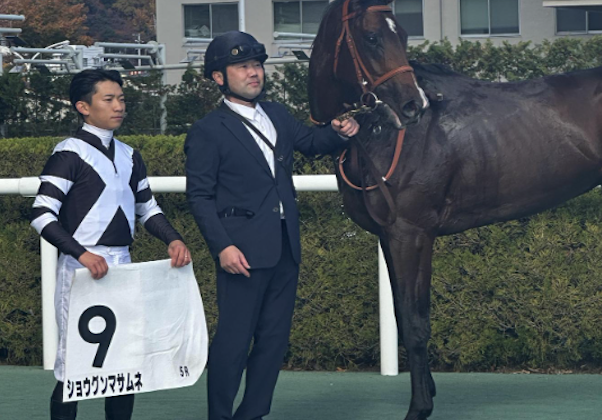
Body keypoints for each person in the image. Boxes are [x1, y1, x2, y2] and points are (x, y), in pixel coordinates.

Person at [184, 31, 359, 420]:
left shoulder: (277, 113)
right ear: (218, 77)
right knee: (234, 341)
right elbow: (199, 196)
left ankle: (253, 414)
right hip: (241, 251)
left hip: (284, 245)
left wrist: (338, 131)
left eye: (257, 65)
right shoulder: (207, 130)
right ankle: (219, 415)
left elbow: (311, 143)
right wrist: (222, 247)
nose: (254, 72)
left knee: (274, 340)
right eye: (242, 66)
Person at [30, 69, 191, 420]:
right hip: (80, 270)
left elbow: (148, 209)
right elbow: (42, 214)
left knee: (125, 366)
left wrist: (173, 238)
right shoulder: (68, 153)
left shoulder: (130, 155)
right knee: (74, 367)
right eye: (109, 99)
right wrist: (81, 254)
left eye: (121, 99)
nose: (119, 106)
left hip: (122, 267)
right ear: (83, 107)